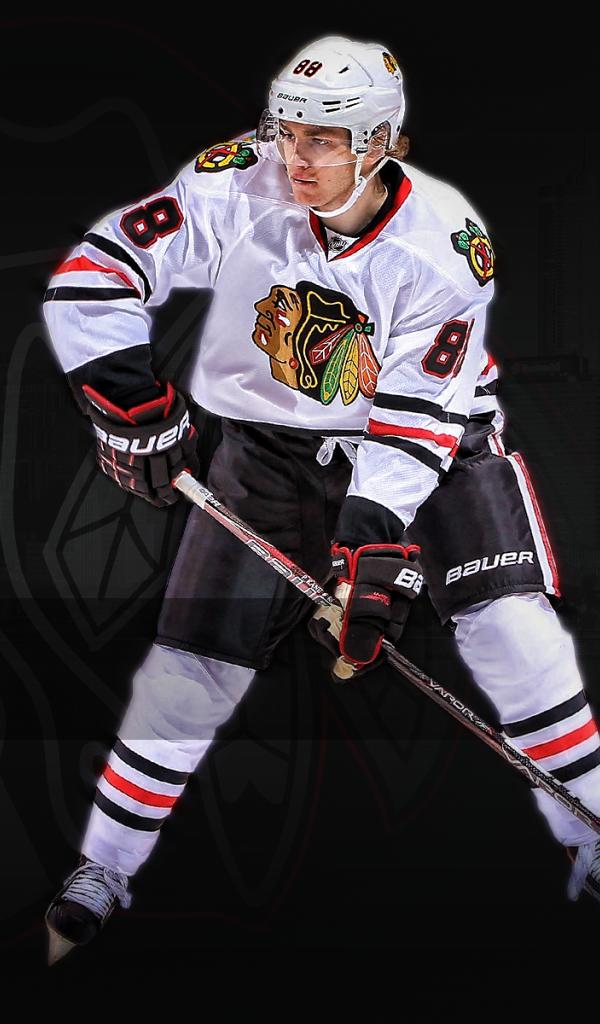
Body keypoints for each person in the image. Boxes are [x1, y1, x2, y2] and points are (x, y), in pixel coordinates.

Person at [42, 35, 600, 965]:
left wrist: (369, 546)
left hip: (435, 443)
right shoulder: (236, 180)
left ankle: (592, 830)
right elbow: (99, 270)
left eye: (325, 139)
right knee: (190, 671)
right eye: (287, 130)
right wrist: (127, 400)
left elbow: (418, 417)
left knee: (513, 634)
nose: (296, 156)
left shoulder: (446, 245)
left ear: (385, 144)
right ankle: (103, 867)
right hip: (268, 450)